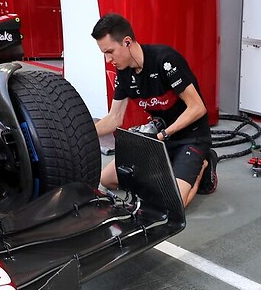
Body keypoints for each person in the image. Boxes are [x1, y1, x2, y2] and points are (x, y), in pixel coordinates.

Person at [90, 13, 217, 207]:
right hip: (159, 139)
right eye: (104, 54)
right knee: (107, 180)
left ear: (127, 42)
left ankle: (204, 165)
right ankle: (170, 171)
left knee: (175, 203)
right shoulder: (123, 73)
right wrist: (84, 135)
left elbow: (197, 108)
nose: (108, 60)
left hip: (190, 137)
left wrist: (164, 134)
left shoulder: (165, 60)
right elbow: (114, 118)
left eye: (110, 52)